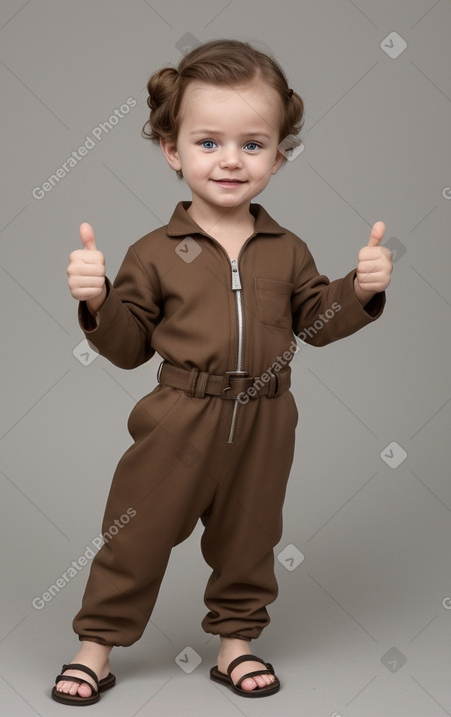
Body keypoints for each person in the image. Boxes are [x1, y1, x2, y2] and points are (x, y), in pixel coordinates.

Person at [51, 38, 393, 706]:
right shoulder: (155, 253)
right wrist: (96, 300)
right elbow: (129, 347)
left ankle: (237, 642)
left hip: (267, 415)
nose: (231, 160)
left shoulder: (286, 248)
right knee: (137, 530)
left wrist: (359, 290)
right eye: (208, 142)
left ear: (279, 154)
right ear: (172, 151)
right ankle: (96, 645)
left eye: (253, 144)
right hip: (180, 415)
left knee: (251, 533)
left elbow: (315, 324)